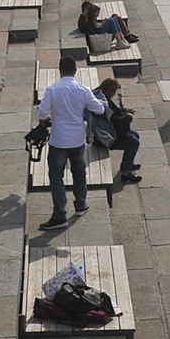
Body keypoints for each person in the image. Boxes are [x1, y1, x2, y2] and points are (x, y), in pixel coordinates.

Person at [38, 55, 104, 230]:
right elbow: (99, 108)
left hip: (59, 140)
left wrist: (50, 118)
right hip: (77, 140)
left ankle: (59, 214)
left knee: (56, 177)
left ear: (60, 70)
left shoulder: (52, 90)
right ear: (75, 70)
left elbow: (42, 113)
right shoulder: (83, 90)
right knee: (79, 171)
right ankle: (80, 204)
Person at [94, 77, 143, 184]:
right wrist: (128, 117)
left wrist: (125, 111)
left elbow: (115, 112)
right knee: (134, 142)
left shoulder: (103, 97)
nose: (115, 94)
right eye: (115, 91)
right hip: (106, 137)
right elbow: (115, 121)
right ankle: (126, 173)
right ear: (111, 91)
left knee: (135, 135)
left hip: (107, 132)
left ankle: (128, 163)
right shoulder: (104, 103)